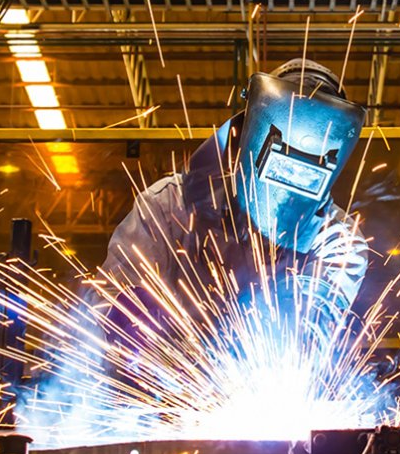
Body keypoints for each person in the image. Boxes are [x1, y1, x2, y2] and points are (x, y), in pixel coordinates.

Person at [101, 59, 369, 352]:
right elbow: (107, 299)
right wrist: (128, 321)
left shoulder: (339, 242)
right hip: (163, 379)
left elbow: (318, 324)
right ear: (248, 135)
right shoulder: (169, 205)